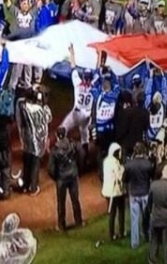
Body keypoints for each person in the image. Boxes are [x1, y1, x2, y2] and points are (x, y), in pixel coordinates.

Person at [61, 44, 96, 173]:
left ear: (83, 76)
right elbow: (98, 71)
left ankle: (62, 154)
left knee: (63, 129)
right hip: (86, 116)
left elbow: (73, 66)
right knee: (85, 137)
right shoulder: (93, 86)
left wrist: (72, 53)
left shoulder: (77, 82)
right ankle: (85, 160)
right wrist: (99, 56)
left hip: (76, 113)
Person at [48, 127, 83, 231]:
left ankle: (61, 225)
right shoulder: (73, 144)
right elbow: (81, 154)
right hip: (73, 175)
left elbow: (50, 168)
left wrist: (56, 177)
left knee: (61, 203)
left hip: (61, 179)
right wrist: (78, 169)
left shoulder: (55, 150)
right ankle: (78, 221)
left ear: (57, 136)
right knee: (75, 199)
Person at [18, 88, 52, 196]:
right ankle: (33, 188)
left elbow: (21, 101)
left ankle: (25, 186)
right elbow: (49, 118)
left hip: (27, 138)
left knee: (27, 162)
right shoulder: (42, 109)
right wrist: (43, 103)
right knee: (35, 163)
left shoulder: (23, 107)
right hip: (38, 140)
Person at [148, 164, 167, 264]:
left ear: (162, 173)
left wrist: (151, 212)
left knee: (154, 240)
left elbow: (149, 202)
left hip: (155, 216)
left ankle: (152, 259)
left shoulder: (153, 184)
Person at [124, 142, 153, 249]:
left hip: (134, 194)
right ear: (144, 151)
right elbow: (152, 177)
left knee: (134, 219)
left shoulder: (129, 164)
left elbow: (125, 179)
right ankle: (149, 237)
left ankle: (134, 243)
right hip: (145, 193)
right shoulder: (148, 164)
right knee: (147, 217)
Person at [102, 142, 125, 241]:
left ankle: (114, 234)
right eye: (119, 152)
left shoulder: (106, 160)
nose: (120, 153)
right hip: (114, 192)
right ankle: (118, 233)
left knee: (114, 213)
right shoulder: (115, 162)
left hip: (109, 191)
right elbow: (119, 177)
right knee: (117, 213)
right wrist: (123, 168)